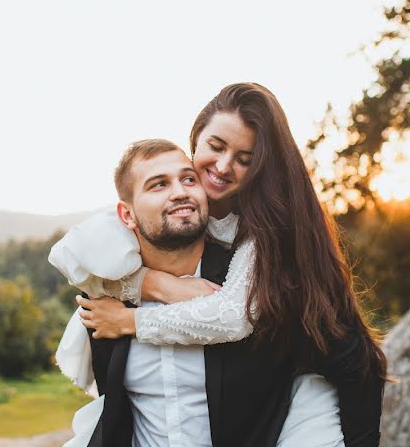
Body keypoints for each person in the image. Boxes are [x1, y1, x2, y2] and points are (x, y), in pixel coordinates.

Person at [50, 83, 387, 446]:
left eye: (245, 159)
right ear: (195, 140)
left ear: (260, 166)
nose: (223, 167)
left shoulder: (269, 229)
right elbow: (77, 261)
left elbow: (233, 316)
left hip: (329, 380)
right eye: (216, 147)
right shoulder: (153, 219)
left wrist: (131, 321)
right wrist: (154, 284)